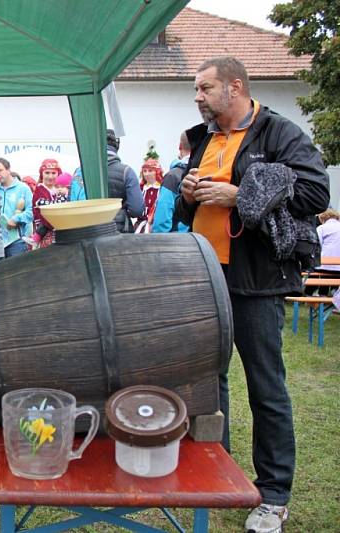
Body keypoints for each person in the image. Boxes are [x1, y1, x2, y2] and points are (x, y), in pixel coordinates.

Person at [175, 56, 329, 533]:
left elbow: (315, 194)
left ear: (234, 86)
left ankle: (274, 495)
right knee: (208, 383)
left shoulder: (278, 133)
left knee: (266, 387)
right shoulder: (203, 138)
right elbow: (189, 210)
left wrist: (240, 197)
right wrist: (187, 191)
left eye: (205, 88)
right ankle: (214, 474)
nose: (197, 97)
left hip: (257, 280)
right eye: (196, 90)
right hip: (205, 275)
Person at [0, 157, 33, 257]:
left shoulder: (23, 188)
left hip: (17, 242)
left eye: (0, 170)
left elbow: (32, 211)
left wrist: (16, 219)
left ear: (8, 169)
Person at [106, 129, 144, 233]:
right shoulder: (127, 172)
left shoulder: (81, 172)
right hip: (118, 231)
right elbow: (137, 210)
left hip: (89, 233)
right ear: (116, 146)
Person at [153, 131, 191, 233]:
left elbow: (163, 213)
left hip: (178, 240)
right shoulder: (207, 172)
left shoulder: (173, 176)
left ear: (180, 146)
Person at [31, 159, 68, 248]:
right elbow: (46, 214)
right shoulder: (39, 190)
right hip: (45, 235)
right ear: (41, 174)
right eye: (47, 173)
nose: (50, 176)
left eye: (53, 173)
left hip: (61, 234)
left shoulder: (62, 191)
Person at [313, 209, 340, 295]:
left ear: (323, 218)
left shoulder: (322, 228)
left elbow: (317, 244)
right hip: (338, 267)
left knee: (316, 273)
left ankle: (318, 296)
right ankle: (334, 292)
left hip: (325, 264)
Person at [134, 158, 163, 233]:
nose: (147, 174)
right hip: (140, 224)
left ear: (157, 172)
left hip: (156, 225)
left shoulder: (162, 188)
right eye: (144, 171)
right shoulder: (140, 188)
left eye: (150, 171)